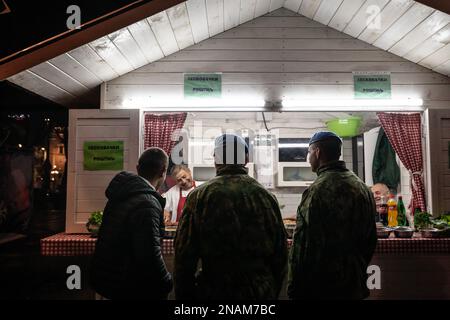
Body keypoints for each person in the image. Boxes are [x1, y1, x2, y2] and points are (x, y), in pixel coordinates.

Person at [174, 133, 288, 300]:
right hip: (259, 292)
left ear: (216, 159)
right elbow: (280, 254)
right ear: (246, 158)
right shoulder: (266, 197)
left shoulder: (199, 196)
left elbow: (184, 255)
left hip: (214, 290)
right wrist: (271, 290)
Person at [288, 131, 377, 300]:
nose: (308, 158)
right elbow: (370, 239)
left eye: (309, 153)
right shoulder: (362, 187)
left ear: (318, 152)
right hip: (353, 284)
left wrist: (294, 285)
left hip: (321, 285)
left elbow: (304, 243)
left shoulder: (317, 190)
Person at [90, 147, 173, 300]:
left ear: (137, 168)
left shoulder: (121, 193)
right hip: (130, 285)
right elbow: (149, 255)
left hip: (110, 281)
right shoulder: (148, 202)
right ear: (163, 171)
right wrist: (166, 282)